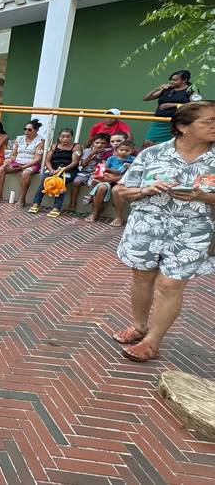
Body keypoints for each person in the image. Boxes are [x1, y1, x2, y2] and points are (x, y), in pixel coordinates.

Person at [112, 100, 215, 362]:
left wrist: (203, 196)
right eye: (209, 121)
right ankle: (139, 326)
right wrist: (145, 190)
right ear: (183, 127)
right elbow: (121, 190)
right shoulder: (152, 154)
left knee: (170, 285)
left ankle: (152, 341)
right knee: (142, 278)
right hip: (147, 224)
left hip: (193, 230)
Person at [27, 128, 82, 217]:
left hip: (68, 170)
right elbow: (47, 161)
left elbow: (75, 162)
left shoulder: (76, 147)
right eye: (62, 137)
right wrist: (51, 170)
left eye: (68, 137)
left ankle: (57, 207)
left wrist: (62, 170)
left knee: (60, 182)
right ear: (59, 137)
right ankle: (36, 203)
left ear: (71, 137)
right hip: (53, 169)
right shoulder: (54, 146)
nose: (65, 139)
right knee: (46, 180)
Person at [0, 120, 44, 204]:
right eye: (25, 129)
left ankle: (22, 199)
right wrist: (9, 161)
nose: (26, 131)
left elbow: (37, 159)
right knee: (0, 169)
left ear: (36, 130)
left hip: (32, 164)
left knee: (26, 173)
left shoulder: (40, 141)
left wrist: (24, 166)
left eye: (29, 130)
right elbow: (13, 154)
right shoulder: (20, 139)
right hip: (18, 162)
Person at [86, 140, 136, 226]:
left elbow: (122, 173)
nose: (124, 152)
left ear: (132, 151)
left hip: (122, 181)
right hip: (108, 179)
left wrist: (129, 167)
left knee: (117, 190)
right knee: (101, 187)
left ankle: (118, 217)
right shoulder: (111, 159)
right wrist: (103, 173)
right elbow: (104, 169)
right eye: (122, 150)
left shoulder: (133, 160)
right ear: (117, 150)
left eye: (127, 150)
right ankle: (94, 212)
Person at [143, 70, 199, 145]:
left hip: (178, 122)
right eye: (171, 80)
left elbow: (194, 105)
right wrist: (158, 88)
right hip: (159, 122)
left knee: (174, 145)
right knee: (148, 142)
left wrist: (172, 105)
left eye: (175, 80)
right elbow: (146, 98)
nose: (172, 82)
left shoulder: (191, 90)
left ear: (184, 80)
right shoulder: (167, 89)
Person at [68, 132, 109, 210]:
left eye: (103, 143)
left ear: (107, 144)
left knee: (95, 184)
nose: (99, 145)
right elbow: (83, 165)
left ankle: (94, 207)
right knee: (76, 182)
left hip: (96, 173)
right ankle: (72, 204)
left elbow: (104, 165)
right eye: (97, 142)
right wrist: (92, 154)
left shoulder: (107, 152)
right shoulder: (87, 151)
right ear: (93, 142)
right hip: (85, 172)